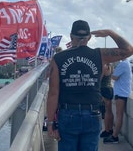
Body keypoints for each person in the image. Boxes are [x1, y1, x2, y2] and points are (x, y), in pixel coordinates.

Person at [46, 20, 133, 151]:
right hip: (92, 114)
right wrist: (110, 32)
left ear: (71, 37)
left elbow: (53, 92)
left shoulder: (58, 58)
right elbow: (128, 50)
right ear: (89, 37)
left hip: (68, 115)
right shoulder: (99, 55)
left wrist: (51, 122)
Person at [103, 59, 132, 143]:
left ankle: (115, 137)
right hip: (123, 91)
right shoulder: (126, 63)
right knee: (119, 115)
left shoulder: (123, 64)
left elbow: (114, 77)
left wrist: (110, 70)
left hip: (121, 92)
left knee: (119, 115)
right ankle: (114, 135)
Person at [99, 63, 114, 138]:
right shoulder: (111, 66)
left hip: (104, 89)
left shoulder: (104, 66)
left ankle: (107, 130)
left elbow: (99, 79)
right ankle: (111, 128)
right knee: (110, 111)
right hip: (110, 88)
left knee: (106, 111)